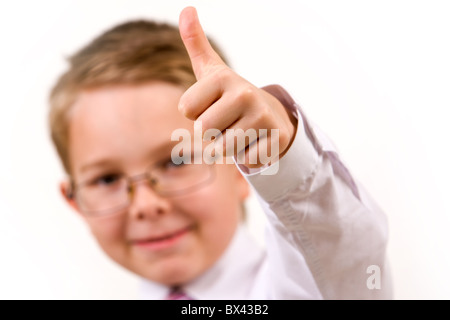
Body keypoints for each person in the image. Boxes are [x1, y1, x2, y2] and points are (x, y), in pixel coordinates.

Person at [48, 6, 393, 299]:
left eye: (175, 160)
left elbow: (349, 262)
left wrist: (279, 155)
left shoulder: (300, 286)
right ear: (75, 201)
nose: (146, 205)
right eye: (107, 178)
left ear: (238, 169)